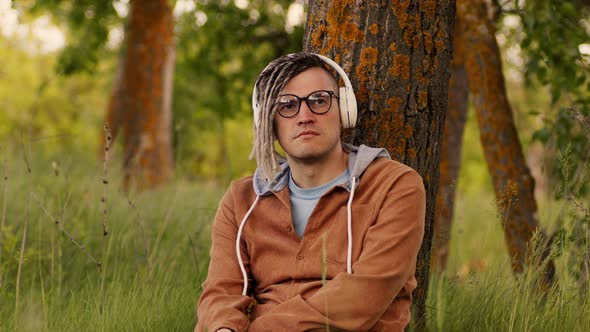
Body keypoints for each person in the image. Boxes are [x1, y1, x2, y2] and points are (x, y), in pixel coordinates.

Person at [195, 52, 425, 332]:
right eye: (287, 106)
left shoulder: (394, 186)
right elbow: (221, 292)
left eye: (319, 100)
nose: (304, 116)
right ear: (268, 122)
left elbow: (366, 296)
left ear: (344, 110)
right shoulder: (241, 200)